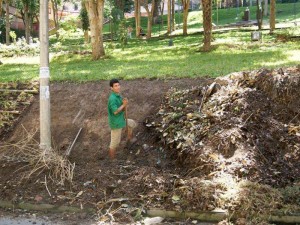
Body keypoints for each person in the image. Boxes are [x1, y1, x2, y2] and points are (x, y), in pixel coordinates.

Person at [107, 79, 137, 159]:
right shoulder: (112, 98)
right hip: (116, 122)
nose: (118, 87)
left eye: (118, 85)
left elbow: (122, 108)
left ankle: (129, 140)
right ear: (111, 88)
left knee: (132, 123)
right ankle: (112, 161)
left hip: (121, 119)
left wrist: (124, 104)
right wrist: (124, 105)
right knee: (114, 143)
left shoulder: (118, 95)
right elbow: (115, 112)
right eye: (115, 86)